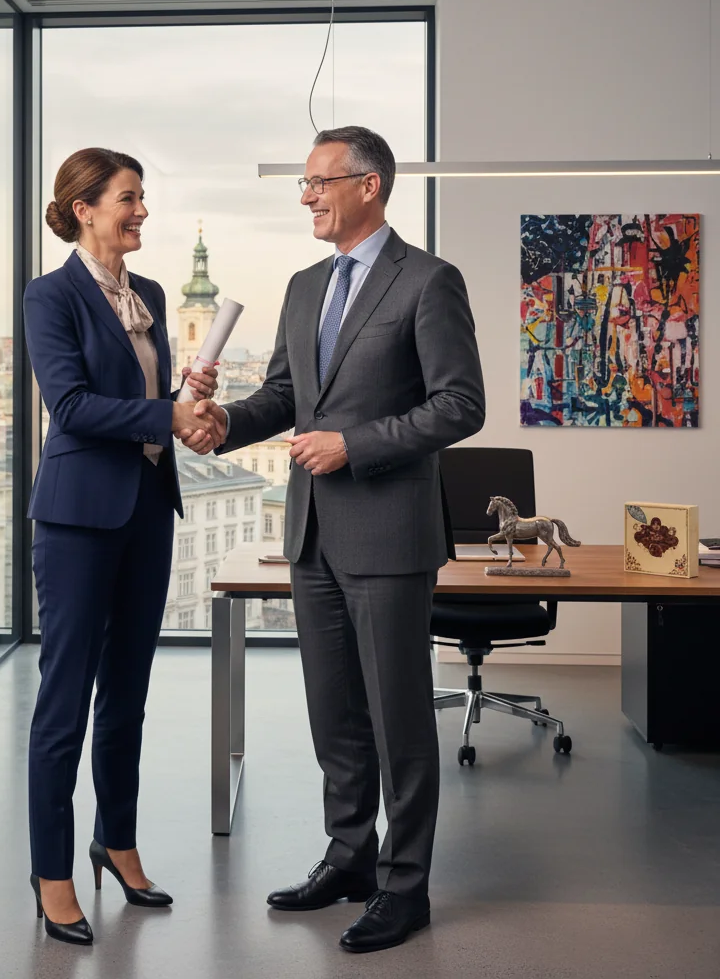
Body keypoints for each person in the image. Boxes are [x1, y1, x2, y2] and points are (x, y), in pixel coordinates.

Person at [193, 126, 485, 954]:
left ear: (370, 185)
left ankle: (405, 886)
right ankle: (350, 857)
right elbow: (286, 396)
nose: (307, 196)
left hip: (390, 533)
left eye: (321, 181)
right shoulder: (301, 284)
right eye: (304, 184)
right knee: (336, 716)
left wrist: (356, 445)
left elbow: (460, 404)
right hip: (313, 533)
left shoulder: (429, 280)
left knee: (399, 719)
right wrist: (224, 424)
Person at [22, 147, 224, 946]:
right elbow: (70, 406)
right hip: (76, 518)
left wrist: (186, 403)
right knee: (64, 705)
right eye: (128, 199)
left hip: (145, 507)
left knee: (128, 696)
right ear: (85, 209)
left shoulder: (149, 294)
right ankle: (51, 874)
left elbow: (146, 401)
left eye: (142, 199)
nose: (142, 212)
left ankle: (117, 842)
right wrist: (163, 417)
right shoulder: (52, 296)